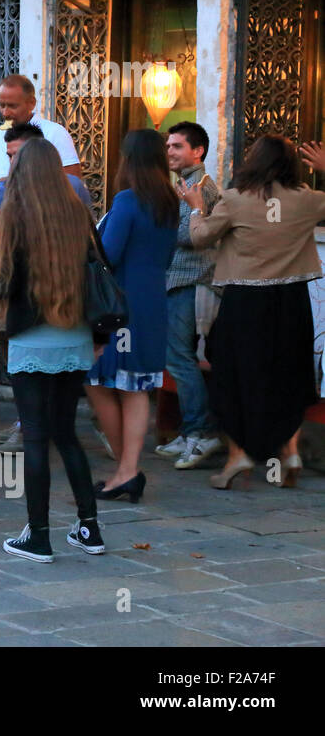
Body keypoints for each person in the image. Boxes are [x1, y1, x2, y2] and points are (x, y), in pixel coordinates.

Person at [0, 138, 103, 562]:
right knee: (67, 433)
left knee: (35, 435)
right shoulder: (77, 213)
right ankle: (89, 527)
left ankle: (39, 535)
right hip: (75, 336)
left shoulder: (12, 216)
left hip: (32, 337)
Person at [188, 136, 325, 490]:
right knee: (288, 373)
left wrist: (194, 208)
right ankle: (289, 453)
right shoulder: (308, 200)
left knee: (233, 377)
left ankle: (239, 456)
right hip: (292, 300)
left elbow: (202, 237)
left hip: (245, 302)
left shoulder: (234, 200)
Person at [85, 129, 178, 504]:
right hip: (152, 302)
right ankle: (127, 469)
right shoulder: (168, 203)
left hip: (120, 307)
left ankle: (126, 469)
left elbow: (107, 255)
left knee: (97, 380)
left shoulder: (127, 201)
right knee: (136, 387)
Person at [157, 121, 224, 471]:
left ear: (197, 151)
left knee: (180, 358)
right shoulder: (182, 185)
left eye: (177, 146)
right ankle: (190, 430)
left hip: (190, 280)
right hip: (178, 280)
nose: (170, 151)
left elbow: (191, 235)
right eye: (168, 146)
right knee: (178, 358)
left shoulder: (201, 188)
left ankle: (202, 431)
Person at [0, 74, 81, 186]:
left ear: (32, 103)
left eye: (12, 106)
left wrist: (14, 183)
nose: (5, 112)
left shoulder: (55, 133)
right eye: (2, 105)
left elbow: (74, 185)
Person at [0, 123, 93, 209]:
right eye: (10, 156)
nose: (13, 161)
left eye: (18, 154)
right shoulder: (74, 184)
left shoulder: (7, 188)